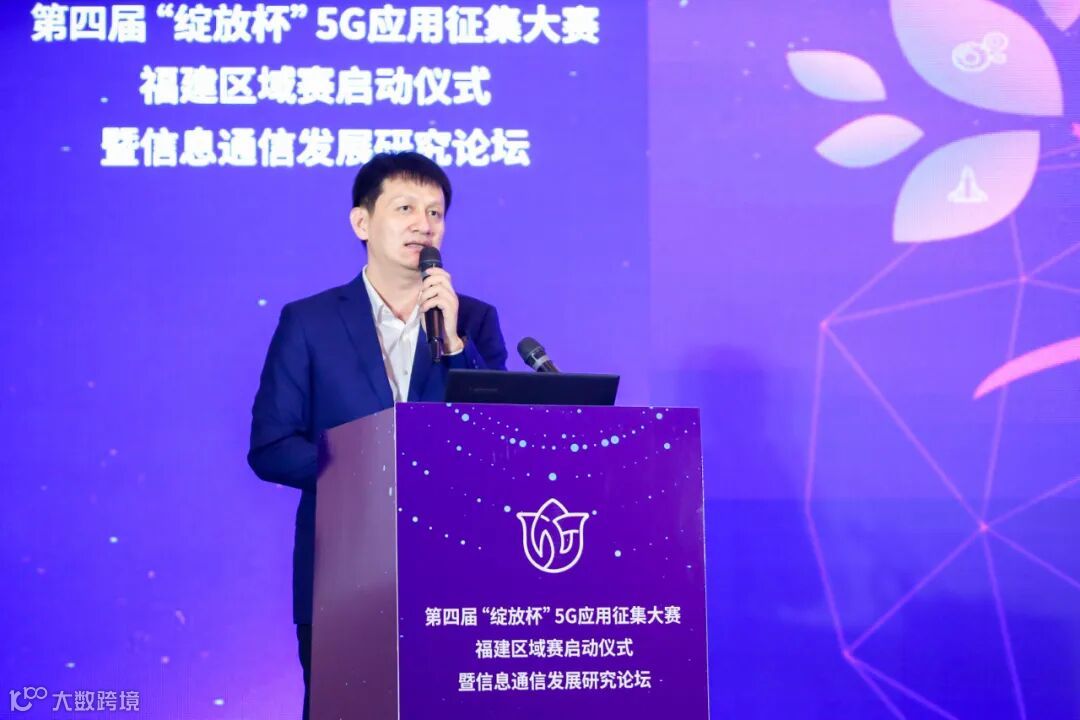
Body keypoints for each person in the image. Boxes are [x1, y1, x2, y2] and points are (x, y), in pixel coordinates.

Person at [247, 152, 508, 719]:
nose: (424, 225)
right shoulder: (309, 321)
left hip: (455, 568)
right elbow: (271, 446)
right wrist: (372, 469)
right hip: (343, 573)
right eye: (405, 208)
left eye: (435, 212)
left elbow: (497, 438)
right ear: (362, 222)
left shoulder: (473, 320)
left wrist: (455, 346)